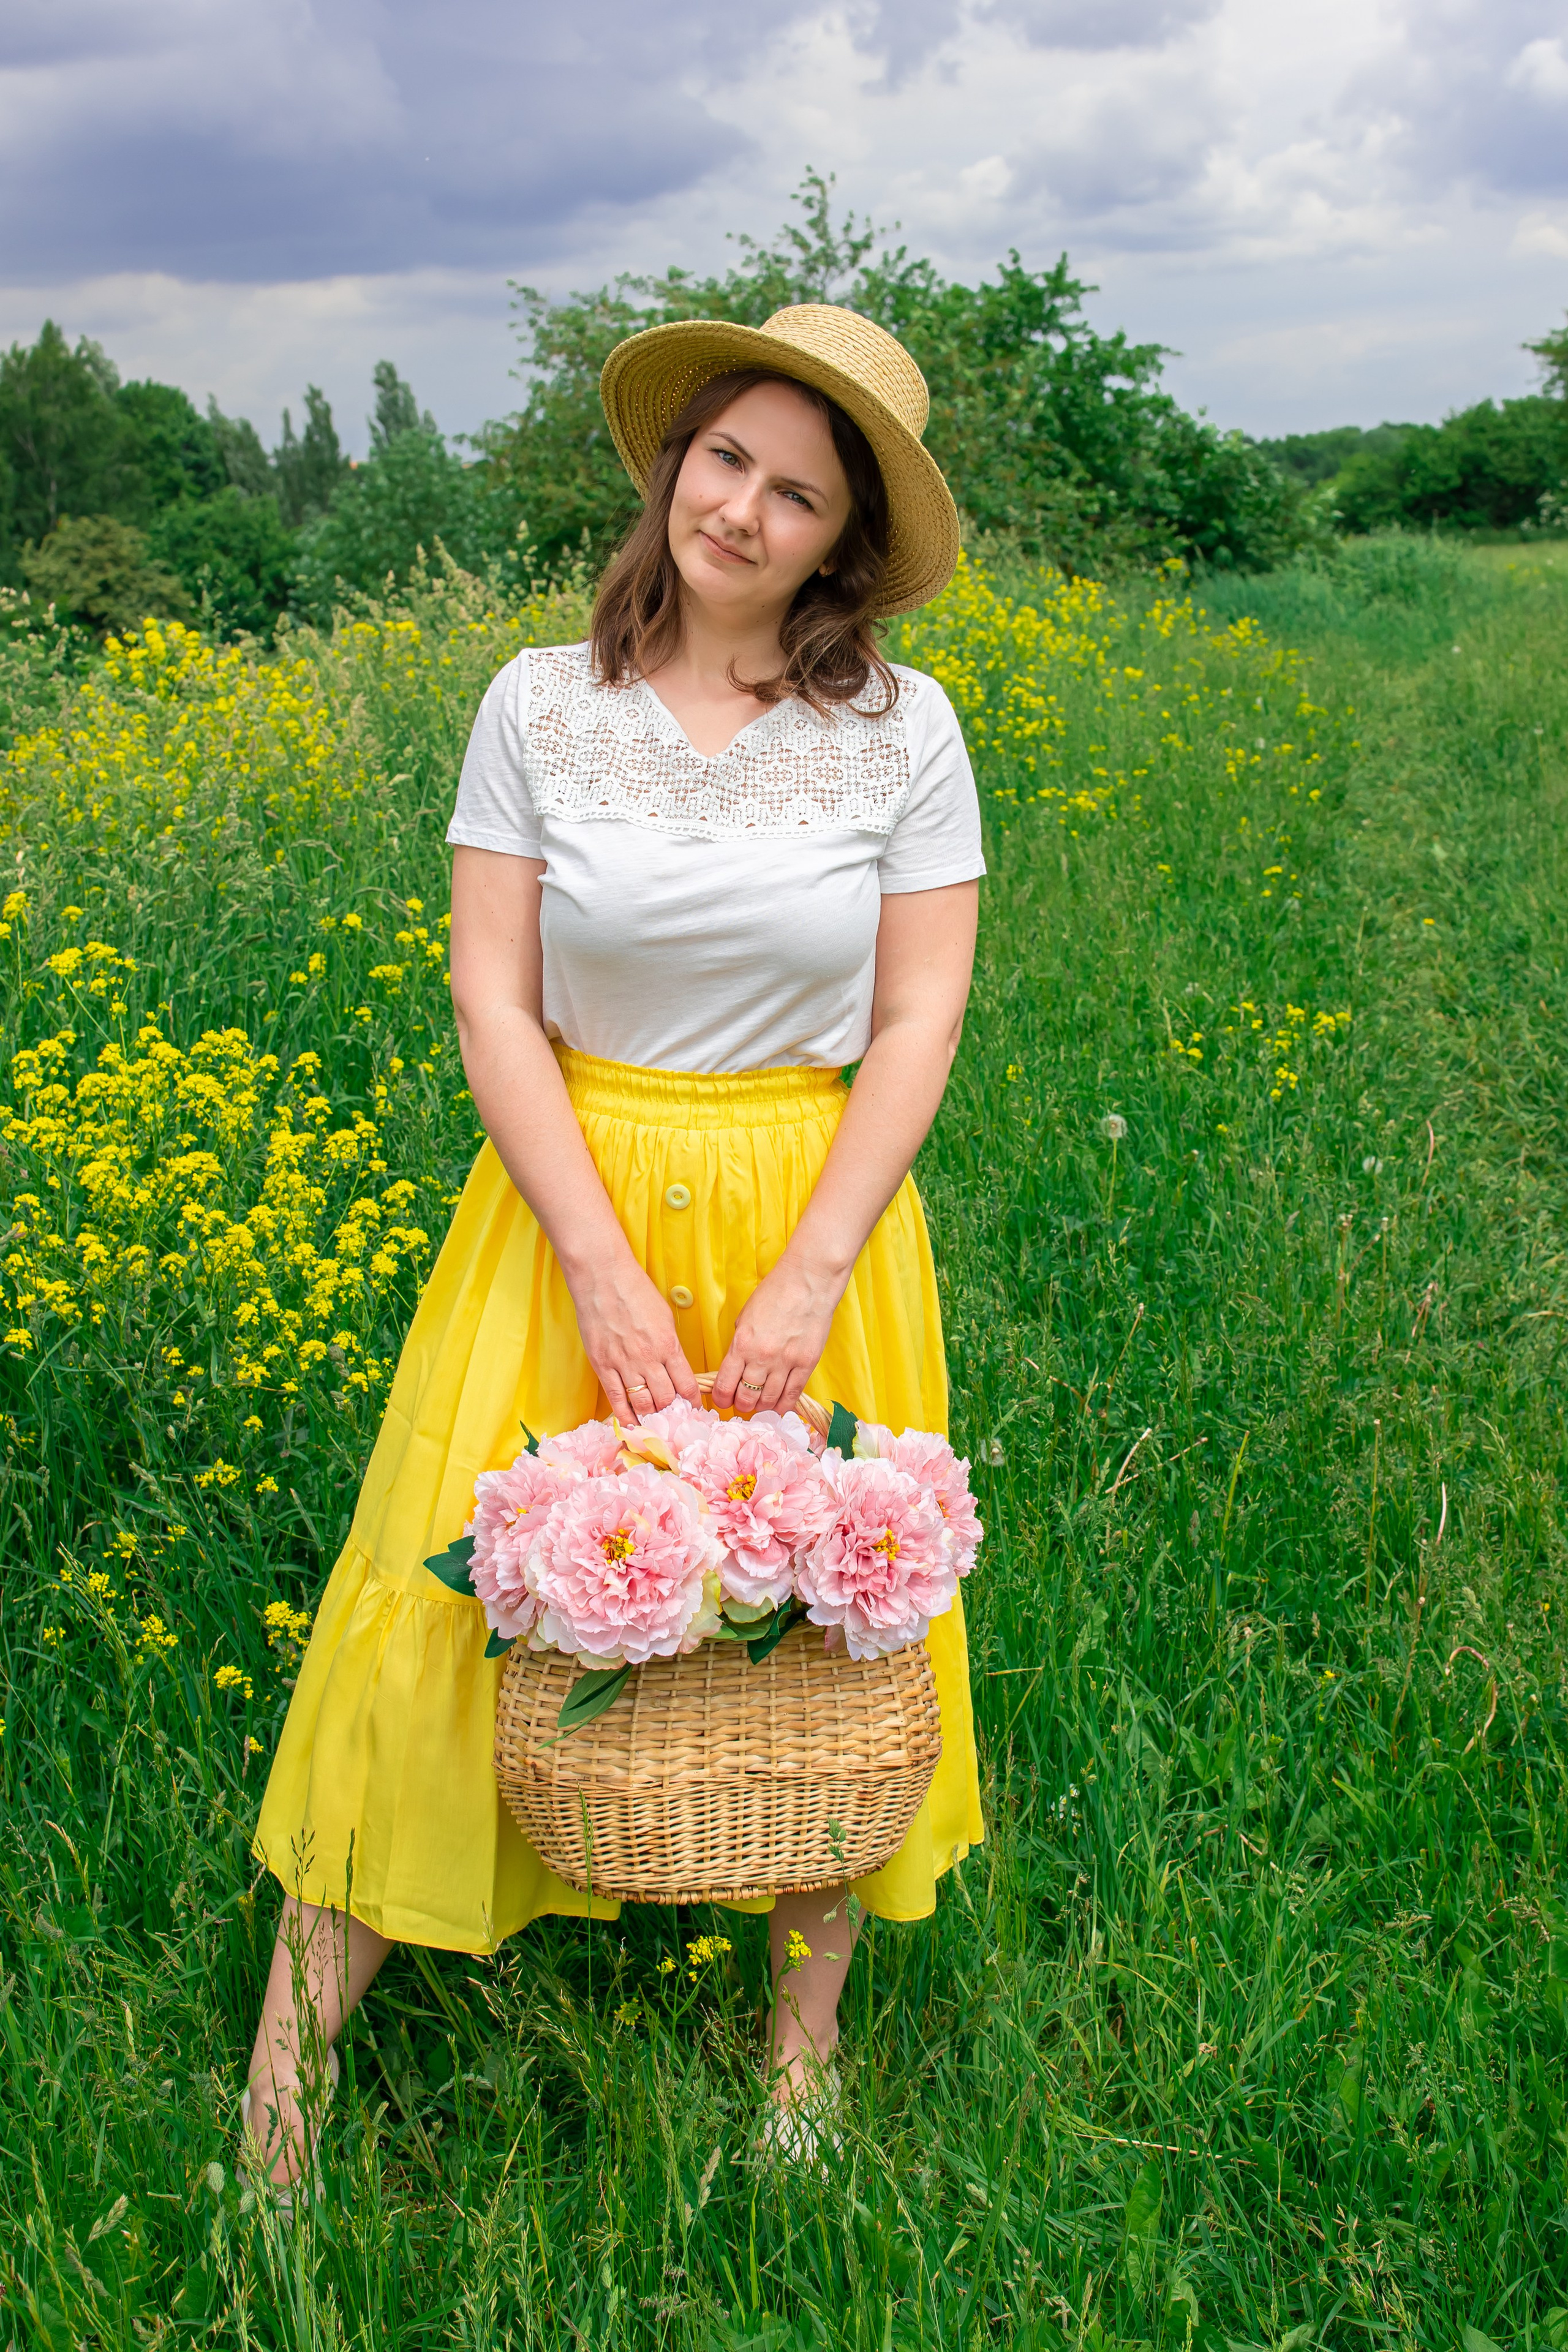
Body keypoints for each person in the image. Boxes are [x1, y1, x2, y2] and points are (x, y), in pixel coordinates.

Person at [245, 301, 986, 2189]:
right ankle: (282, 2101)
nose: (742, 509)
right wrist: (590, 1258)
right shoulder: (537, 703)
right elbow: (492, 998)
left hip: (814, 1209)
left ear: (843, 542)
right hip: (562, 1200)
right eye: (725, 459)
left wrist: (814, 1272)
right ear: (673, 465)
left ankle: (800, 2073)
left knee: (833, 1622)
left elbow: (919, 1017)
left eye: (797, 493)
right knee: (439, 1611)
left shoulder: (903, 731)